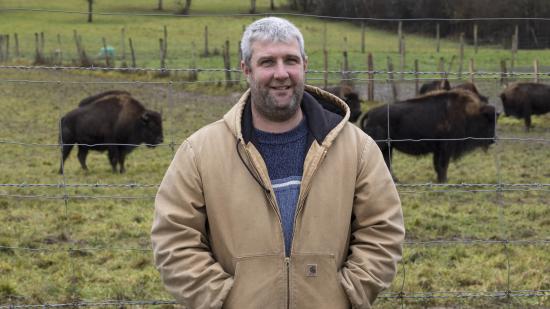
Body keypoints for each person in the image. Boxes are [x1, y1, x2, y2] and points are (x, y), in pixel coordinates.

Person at [151, 17, 405, 309]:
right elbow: (174, 239)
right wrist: (224, 299)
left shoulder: (357, 148)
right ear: (246, 69)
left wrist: (345, 294)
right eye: (268, 62)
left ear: (305, 65)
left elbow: (382, 229)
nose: (281, 73)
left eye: (291, 60)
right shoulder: (199, 152)